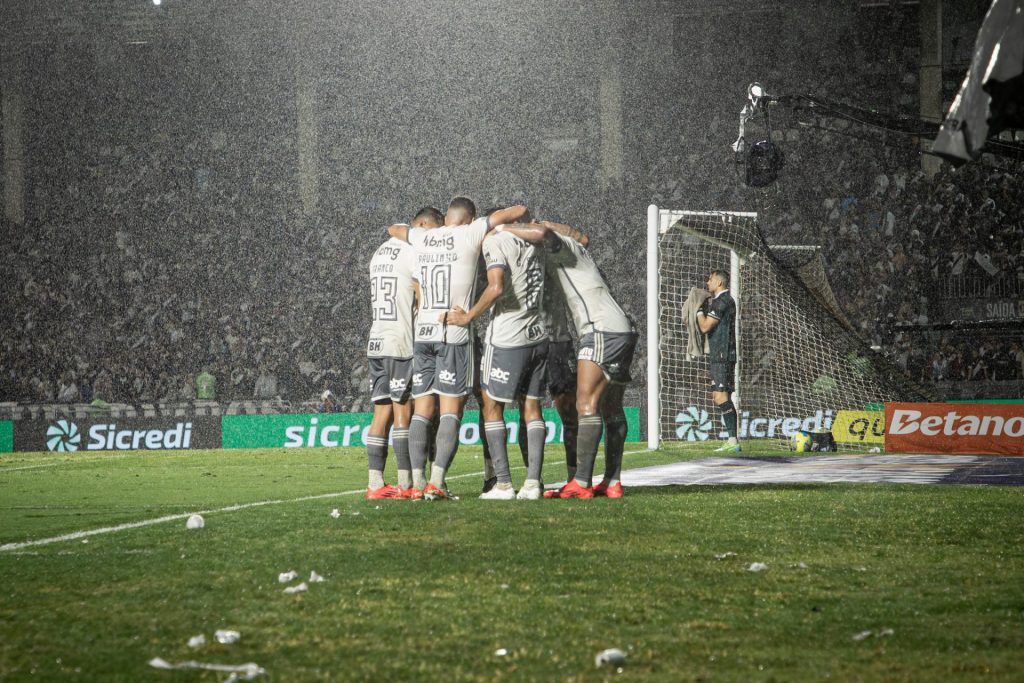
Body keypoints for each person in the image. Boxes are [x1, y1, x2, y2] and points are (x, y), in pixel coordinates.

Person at [388, 198, 529, 500]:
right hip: (453, 330)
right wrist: (497, 225)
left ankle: (415, 484)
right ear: (469, 219)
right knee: (452, 410)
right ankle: (437, 482)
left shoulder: (423, 237)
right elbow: (518, 211)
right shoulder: (470, 232)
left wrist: (422, 232)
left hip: (422, 332)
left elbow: (395, 229)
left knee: (422, 411)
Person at [498, 221, 632, 499]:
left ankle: (581, 482)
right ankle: (612, 481)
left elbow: (547, 234)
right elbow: (581, 235)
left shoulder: (562, 247)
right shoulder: (579, 250)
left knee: (586, 405)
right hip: (621, 328)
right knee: (612, 409)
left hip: (599, 329)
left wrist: (503, 229)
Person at [445, 219, 549, 500]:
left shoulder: (494, 241)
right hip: (538, 333)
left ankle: (502, 483)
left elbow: (496, 287)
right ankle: (533, 483)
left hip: (507, 338)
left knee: (491, 405)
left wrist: (468, 316)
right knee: (532, 408)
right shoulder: (533, 241)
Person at [364, 206, 443, 499]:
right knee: (403, 410)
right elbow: (421, 293)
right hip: (401, 340)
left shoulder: (379, 252)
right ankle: (406, 484)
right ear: (422, 225)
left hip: (376, 338)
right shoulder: (413, 252)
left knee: (380, 411)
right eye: (434, 231)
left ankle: (374, 484)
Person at [696, 269, 740, 452]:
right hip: (719, 355)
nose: (708, 282)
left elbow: (705, 326)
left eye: (711, 279)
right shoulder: (723, 301)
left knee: (722, 396)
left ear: (719, 283)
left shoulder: (722, 301)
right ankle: (732, 440)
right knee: (718, 396)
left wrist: (698, 311)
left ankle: (733, 441)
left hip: (722, 355)